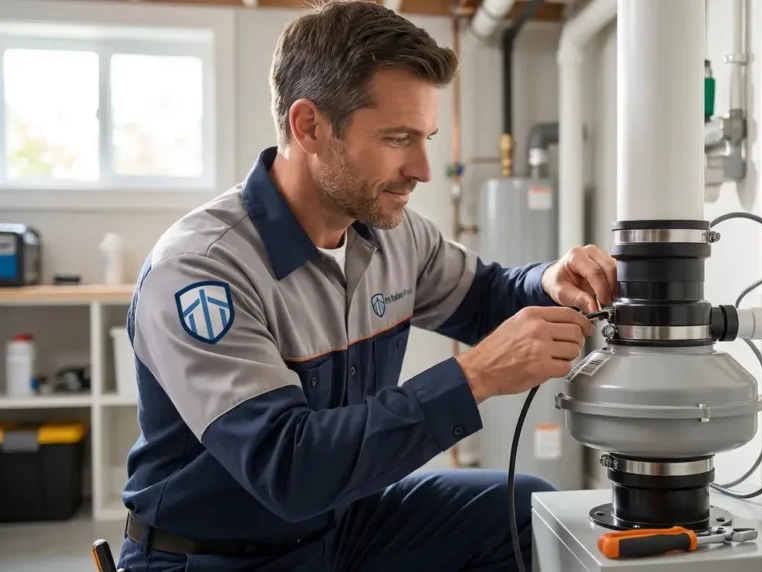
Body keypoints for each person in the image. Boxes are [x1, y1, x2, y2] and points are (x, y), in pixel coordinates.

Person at [117, 1, 618, 571]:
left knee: (520, 509)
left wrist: (549, 279)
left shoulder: (395, 237)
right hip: (212, 557)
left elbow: (486, 297)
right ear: (309, 126)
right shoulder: (202, 270)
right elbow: (290, 469)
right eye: (398, 138)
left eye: (427, 136)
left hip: (339, 528)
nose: (423, 169)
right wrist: (473, 378)